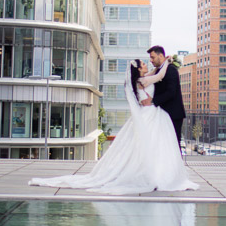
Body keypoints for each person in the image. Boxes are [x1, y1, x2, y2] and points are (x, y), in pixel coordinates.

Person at [28, 59, 197, 195]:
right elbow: (158, 76)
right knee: (150, 146)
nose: (147, 64)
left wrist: (165, 63)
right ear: (138, 69)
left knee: (152, 147)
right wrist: (167, 63)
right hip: (150, 115)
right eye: (144, 64)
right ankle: (154, 175)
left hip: (152, 114)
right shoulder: (143, 81)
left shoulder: (141, 80)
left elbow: (155, 74)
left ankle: (155, 173)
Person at [143, 45, 185, 149]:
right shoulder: (158, 71)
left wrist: (153, 101)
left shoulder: (171, 70)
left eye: (152, 57)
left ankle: (176, 165)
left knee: (174, 143)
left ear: (161, 56)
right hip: (162, 114)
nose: (151, 60)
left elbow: (171, 92)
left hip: (173, 114)